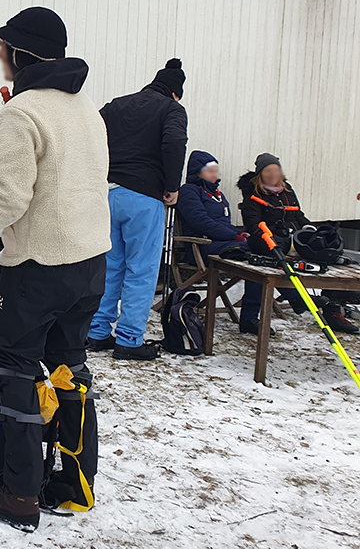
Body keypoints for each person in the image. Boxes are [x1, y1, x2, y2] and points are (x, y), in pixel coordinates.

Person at [0, 7, 111, 532]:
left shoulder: (22, 114)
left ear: (24, 53)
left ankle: (18, 492)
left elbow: (7, 200)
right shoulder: (88, 111)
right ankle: (75, 485)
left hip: (38, 268)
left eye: (5, 48)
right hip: (90, 262)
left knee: (15, 373)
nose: (0, 56)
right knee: (68, 369)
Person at [88, 59, 189, 360]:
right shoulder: (172, 109)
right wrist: (172, 186)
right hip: (145, 196)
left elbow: (91, 134)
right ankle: (129, 339)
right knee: (141, 269)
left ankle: (97, 331)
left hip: (109, 192)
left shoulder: (118, 105)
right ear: (175, 93)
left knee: (110, 265)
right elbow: (174, 142)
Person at [237, 154, 358, 334]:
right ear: (260, 174)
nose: (273, 174)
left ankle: (333, 310)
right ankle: (291, 299)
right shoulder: (254, 195)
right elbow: (254, 225)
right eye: (268, 171)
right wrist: (275, 237)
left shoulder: (287, 190)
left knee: (328, 253)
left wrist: (310, 229)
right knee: (267, 265)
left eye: (276, 170)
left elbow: (298, 215)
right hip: (270, 241)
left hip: (295, 240)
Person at [176, 151, 267, 334]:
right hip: (201, 247)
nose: (215, 176)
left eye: (216, 171)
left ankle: (249, 317)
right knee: (257, 251)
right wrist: (235, 236)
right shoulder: (189, 191)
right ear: (198, 171)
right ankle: (294, 298)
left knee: (260, 254)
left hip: (223, 245)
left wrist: (240, 233)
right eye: (211, 171)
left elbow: (223, 224)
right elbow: (201, 222)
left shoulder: (218, 194)